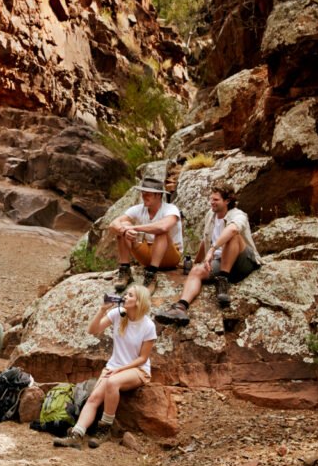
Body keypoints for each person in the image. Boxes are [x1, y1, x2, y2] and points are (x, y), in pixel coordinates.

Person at [53, 285, 156, 449]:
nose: (125, 297)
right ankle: (76, 435)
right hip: (114, 367)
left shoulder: (148, 326)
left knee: (112, 382)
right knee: (94, 398)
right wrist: (102, 310)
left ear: (138, 302)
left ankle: (105, 428)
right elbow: (93, 330)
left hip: (138, 370)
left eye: (130, 295)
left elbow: (143, 358)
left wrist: (119, 370)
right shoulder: (118, 314)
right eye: (126, 294)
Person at [155, 180, 261, 326]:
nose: (211, 202)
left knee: (232, 236)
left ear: (228, 200)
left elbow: (233, 230)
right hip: (221, 261)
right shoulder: (210, 215)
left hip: (243, 262)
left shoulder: (238, 215)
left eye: (216, 199)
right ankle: (181, 307)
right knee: (197, 271)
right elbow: (205, 240)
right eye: (211, 199)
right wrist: (196, 261)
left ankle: (223, 281)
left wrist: (212, 249)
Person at [108, 177, 183, 294]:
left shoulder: (171, 209)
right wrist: (123, 230)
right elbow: (113, 224)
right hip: (147, 254)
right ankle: (125, 270)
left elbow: (163, 227)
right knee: (122, 227)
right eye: (143, 193)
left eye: (148, 194)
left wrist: (133, 228)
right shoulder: (138, 209)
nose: (144, 196)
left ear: (158, 195)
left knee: (161, 232)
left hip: (169, 256)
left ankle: (151, 275)